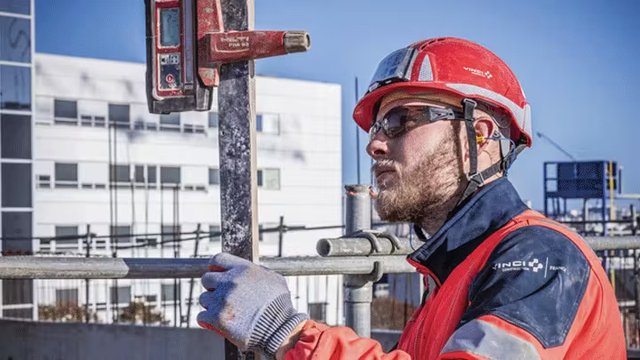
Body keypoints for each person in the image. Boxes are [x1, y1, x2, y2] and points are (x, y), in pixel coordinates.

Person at [197, 37, 626, 359]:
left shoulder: (542, 258)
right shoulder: (451, 271)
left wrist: (287, 332)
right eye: (376, 127)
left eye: (401, 120)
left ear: (478, 136)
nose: (374, 145)